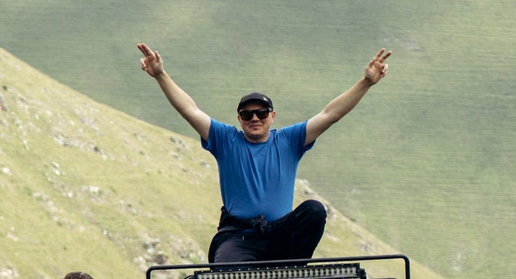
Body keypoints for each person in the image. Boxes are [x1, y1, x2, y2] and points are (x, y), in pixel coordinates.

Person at [135, 43, 391, 264]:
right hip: (238, 235)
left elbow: (330, 114)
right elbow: (190, 110)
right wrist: (160, 75)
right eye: (247, 114)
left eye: (261, 113)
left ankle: (292, 277)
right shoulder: (226, 140)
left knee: (313, 210)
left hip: (281, 234)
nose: (254, 118)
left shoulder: (290, 140)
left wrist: (366, 82)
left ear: (272, 116)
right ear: (239, 118)